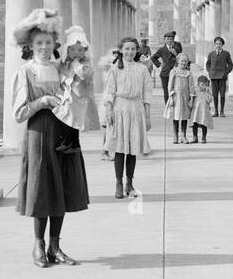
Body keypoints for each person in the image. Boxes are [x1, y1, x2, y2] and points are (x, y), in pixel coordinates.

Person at [10, 8, 89, 267]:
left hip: (64, 130)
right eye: (39, 43)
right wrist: (42, 101)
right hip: (40, 133)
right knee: (42, 187)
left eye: (48, 43)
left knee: (62, 187)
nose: (44, 47)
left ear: (54, 44)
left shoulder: (61, 67)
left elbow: (80, 85)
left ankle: (55, 245)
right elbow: (19, 113)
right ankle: (38, 245)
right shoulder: (26, 72)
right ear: (30, 46)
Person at [102, 36, 152, 198]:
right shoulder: (115, 69)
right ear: (121, 50)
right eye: (126, 48)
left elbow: (147, 92)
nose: (129, 51)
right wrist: (109, 111)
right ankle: (118, 183)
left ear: (137, 50)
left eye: (132, 48)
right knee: (119, 148)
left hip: (136, 109)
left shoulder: (142, 69)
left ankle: (130, 184)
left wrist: (148, 115)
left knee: (132, 148)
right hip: (119, 109)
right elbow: (109, 91)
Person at [53, 26, 101, 154]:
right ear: (67, 50)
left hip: (79, 98)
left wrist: (76, 64)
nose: (76, 53)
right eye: (72, 49)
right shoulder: (64, 63)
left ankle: (72, 143)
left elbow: (86, 75)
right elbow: (57, 69)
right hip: (67, 96)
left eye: (80, 50)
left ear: (85, 51)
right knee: (65, 117)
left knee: (74, 121)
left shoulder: (85, 64)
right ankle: (67, 141)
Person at [164, 52, 194, 143]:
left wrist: (191, 98)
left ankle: (183, 135)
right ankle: (175, 135)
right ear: (178, 61)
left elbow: (191, 86)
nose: (183, 63)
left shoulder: (188, 73)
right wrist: (171, 96)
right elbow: (170, 85)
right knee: (176, 116)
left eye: (185, 61)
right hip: (176, 96)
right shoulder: (174, 71)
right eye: (182, 61)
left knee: (184, 117)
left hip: (186, 97)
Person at [150, 30, 183, 102]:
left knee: (176, 90)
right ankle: (167, 108)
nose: (169, 41)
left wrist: (176, 54)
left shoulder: (177, 48)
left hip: (176, 72)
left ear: (173, 40)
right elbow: (153, 57)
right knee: (166, 92)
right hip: (165, 73)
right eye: (167, 39)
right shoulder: (162, 49)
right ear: (164, 40)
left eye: (171, 39)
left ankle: (175, 105)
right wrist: (159, 64)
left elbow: (182, 59)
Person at [205, 36, 233, 116]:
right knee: (215, 95)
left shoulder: (226, 54)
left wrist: (226, 72)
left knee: (222, 95)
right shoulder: (211, 54)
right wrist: (209, 72)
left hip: (222, 77)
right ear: (214, 44)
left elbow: (230, 64)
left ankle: (222, 111)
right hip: (213, 77)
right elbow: (208, 64)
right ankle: (216, 111)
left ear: (222, 45)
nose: (218, 45)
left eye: (220, 44)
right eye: (216, 43)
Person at [189, 75, 214, 143]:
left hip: (204, 111)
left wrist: (208, 92)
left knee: (204, 124)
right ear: (198, 84)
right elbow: (191, 98)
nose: (203, 86)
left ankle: (204, 137)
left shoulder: (207, 92)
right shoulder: (195, 91)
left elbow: (210, 100)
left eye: (206, 85)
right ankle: (195, 137)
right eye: (202, 85)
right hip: (196, 111)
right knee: (195, 124)